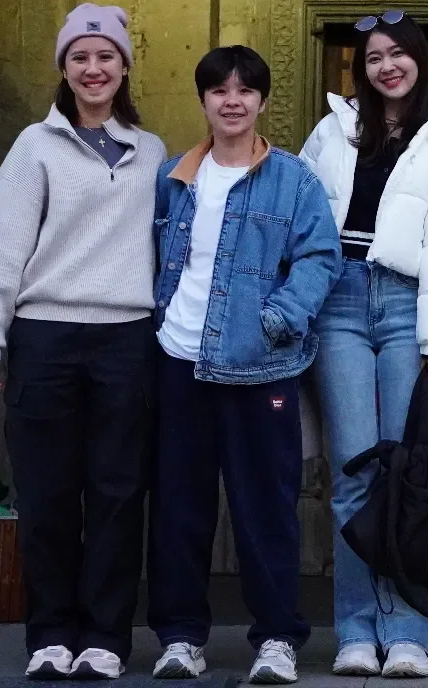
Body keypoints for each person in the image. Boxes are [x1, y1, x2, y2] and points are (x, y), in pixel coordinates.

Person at [0, 3, 167, 681]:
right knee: (48, 493)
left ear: (124, 67)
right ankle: (50, 633)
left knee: (116, 492)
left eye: (105, 55)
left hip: (127, 339)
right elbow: (6, 246)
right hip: (45, 336)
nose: (93, 68)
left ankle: (107, 636)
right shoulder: (35, 146)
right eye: (80, 57)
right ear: (64, 68)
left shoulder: (152, 151)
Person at [299, 10, 428, 678]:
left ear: (420, 60)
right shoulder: (332, 129)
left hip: (409, 304)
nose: (387, 66)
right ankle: (355, 629)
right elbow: (302, 218)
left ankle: (408, 630)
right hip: (340, 301)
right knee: (355, 472)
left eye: (398, 54)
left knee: (411, 473)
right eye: (374, 56)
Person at [147, 46, 345, 686]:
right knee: (179, 508)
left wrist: (276, 320)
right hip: (180, 359)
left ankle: (278, 640)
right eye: (219, 90)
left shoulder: (295, 179)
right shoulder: (175, 176)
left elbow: (320, 258)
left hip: (262, 369)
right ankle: (179, 637)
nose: (232, 101)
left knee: (266, 510)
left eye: (244, 91)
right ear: (203, 100)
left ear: (262, 101)